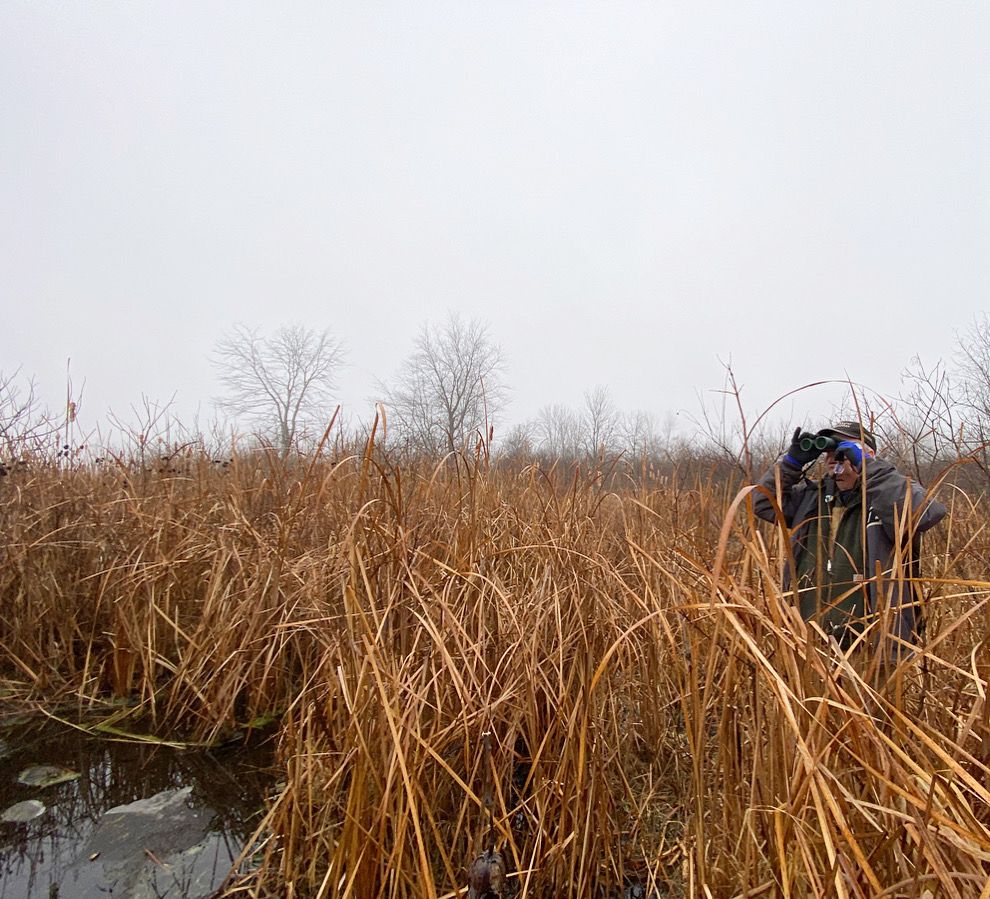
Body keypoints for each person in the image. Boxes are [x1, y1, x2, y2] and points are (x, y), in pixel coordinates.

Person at [752, 420, 947, 658]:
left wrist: (867, 466)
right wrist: (791, 464)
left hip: (870, 648)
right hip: (809, 642)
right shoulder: (813, 498)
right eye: (830, 453)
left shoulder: (886, 497)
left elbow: (926, 513)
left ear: (869, 455)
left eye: (844, 452)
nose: (836, 459)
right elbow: (762, 503)